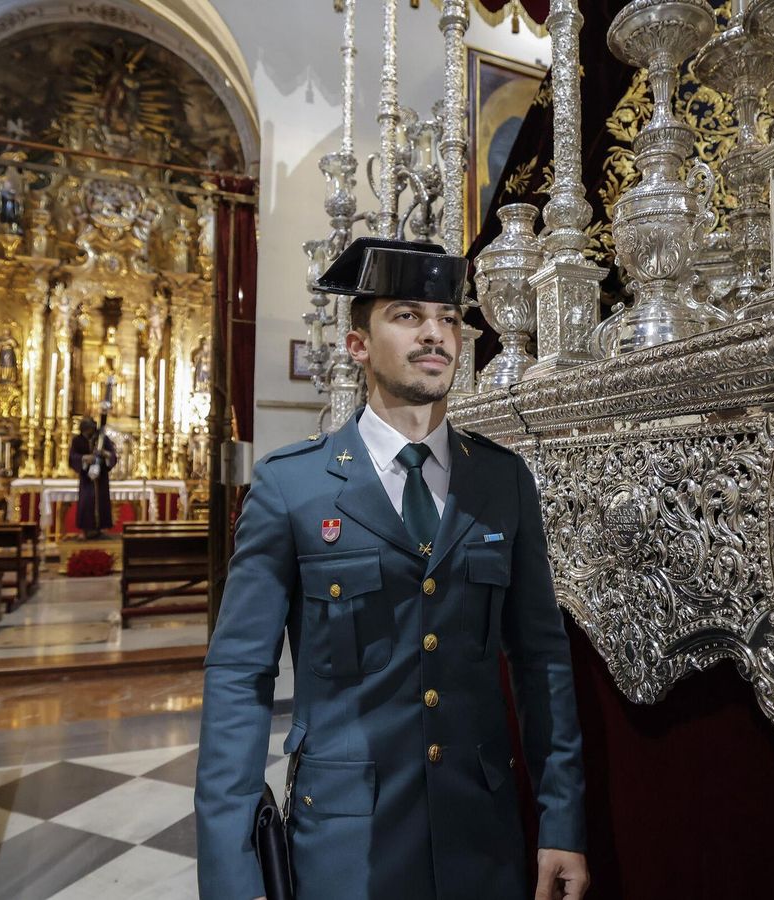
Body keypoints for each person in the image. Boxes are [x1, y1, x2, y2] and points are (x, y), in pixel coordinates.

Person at [196, 237, 589, 900]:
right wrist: (233, 874)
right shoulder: (292, 489)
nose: (434, 332)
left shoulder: (501, 481)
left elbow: (541, 660)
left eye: (447, 317)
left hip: (480, 839)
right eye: (407, 315)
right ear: (357, 346)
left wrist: (562, 821)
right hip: (347, 844)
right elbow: (239, 677)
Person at [69, 416, 117, 539]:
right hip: (86, 479)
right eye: (86, 431)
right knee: (86, 502)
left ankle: (100, 528)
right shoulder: (77, 440)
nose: (88, 434)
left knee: (101, 501)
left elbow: (112, 456)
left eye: (90, 430)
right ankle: (86, 529)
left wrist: (105, 454)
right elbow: (72, 457)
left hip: (101, 477)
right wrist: (84, 458)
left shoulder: (102, 439)